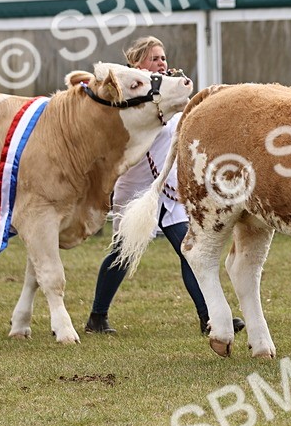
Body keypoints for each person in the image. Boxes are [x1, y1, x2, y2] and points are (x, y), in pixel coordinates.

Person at [84, 36, 245, 337]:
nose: (162, 63)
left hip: (168, 191)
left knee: (189, 250)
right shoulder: (131, 98)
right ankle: (97, 316)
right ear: (137, 65)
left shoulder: (167, 92)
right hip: (135, 189)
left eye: (163, 57)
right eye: (154, 58)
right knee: (124, 253)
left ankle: (208, 317)